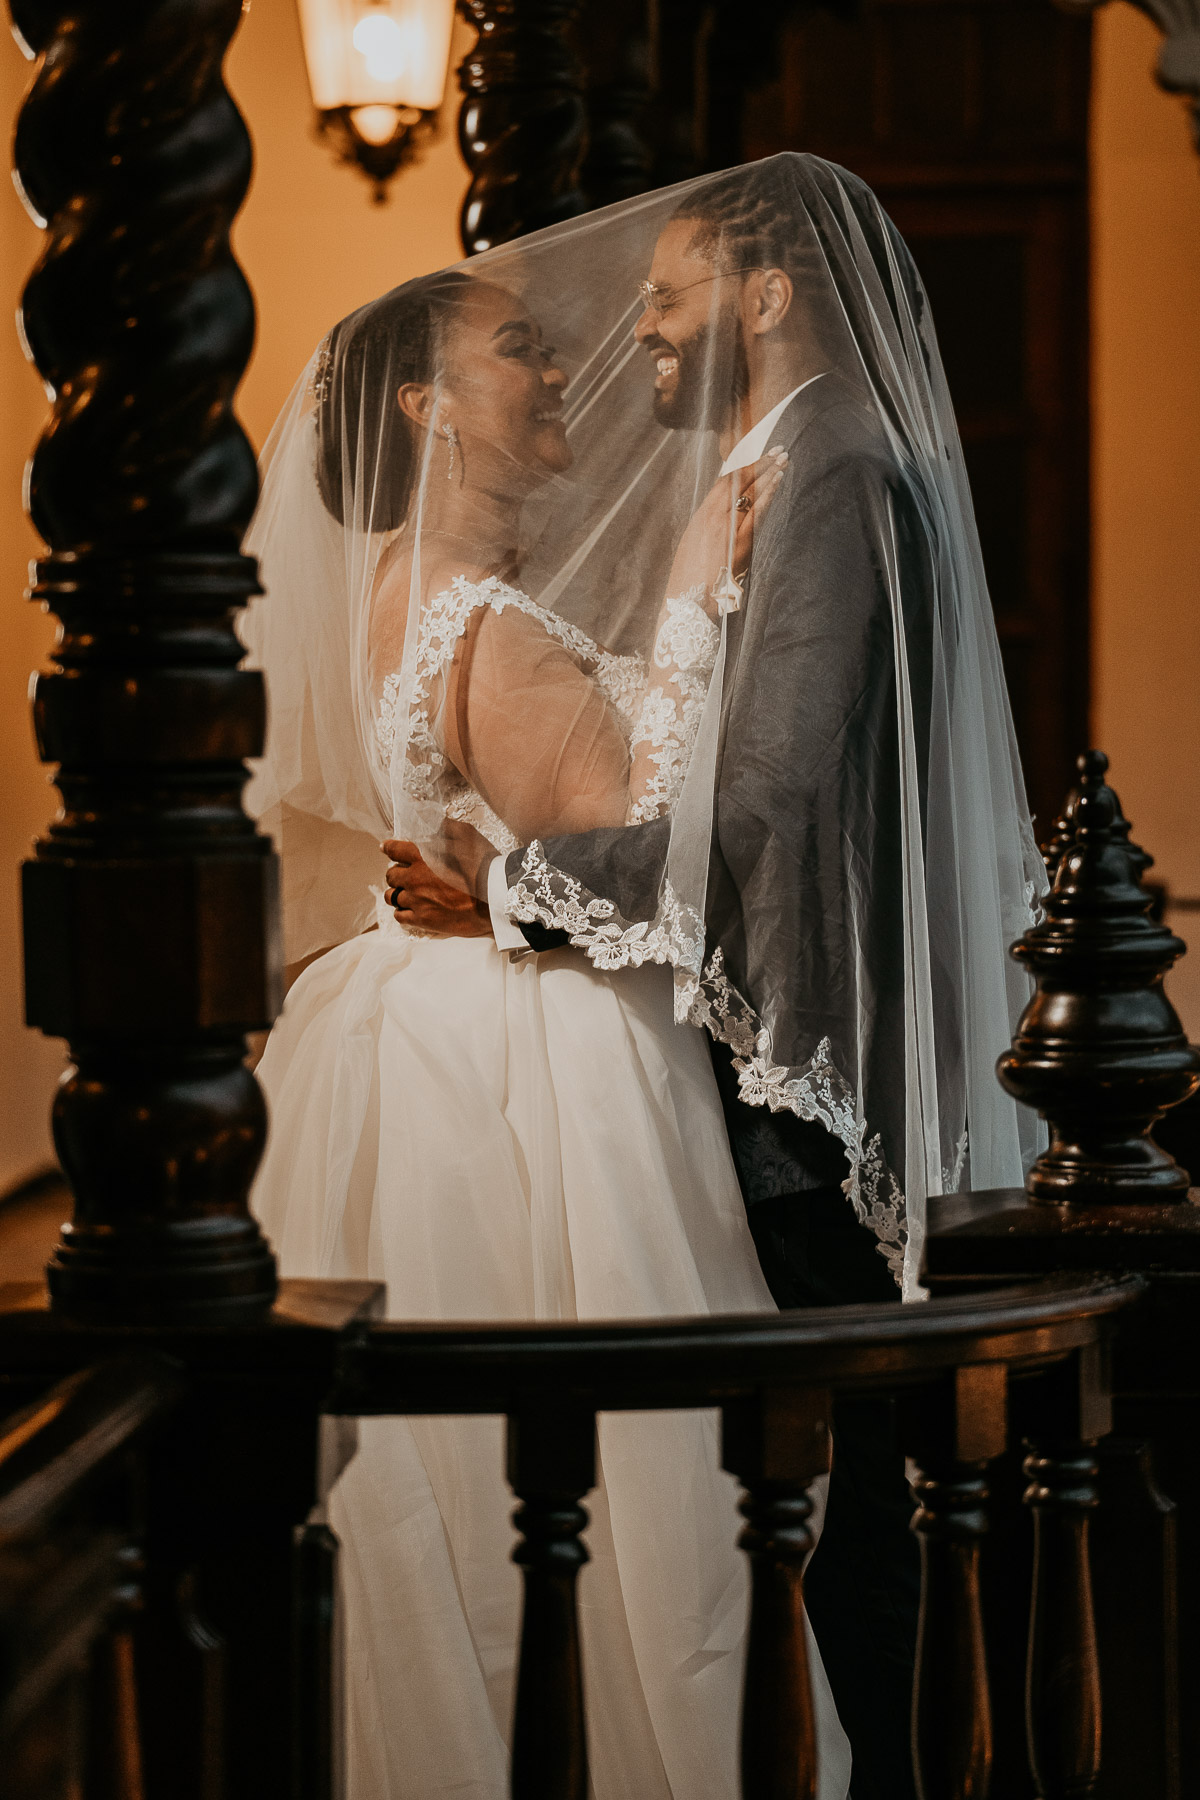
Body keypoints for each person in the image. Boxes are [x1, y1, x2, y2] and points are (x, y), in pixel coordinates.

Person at [383, 154, 1047, 1800]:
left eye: (672, 302)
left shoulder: (831, 466)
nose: (641, 341)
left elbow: (763, 806)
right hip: (725, 1052)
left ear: (765, 295)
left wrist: (514, 887)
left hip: (796, 1066)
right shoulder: (770, 467)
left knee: (841, 1507)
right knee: (789, 1503)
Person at [242, 252, 852, 1796]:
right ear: (424, 405)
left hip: (416, 1028)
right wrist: (695, 595)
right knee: (636, 1494)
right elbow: (627, 830)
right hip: (526, 1062)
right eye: (517, 349)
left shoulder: (412, 597)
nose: (560, 368)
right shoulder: (472, 619)